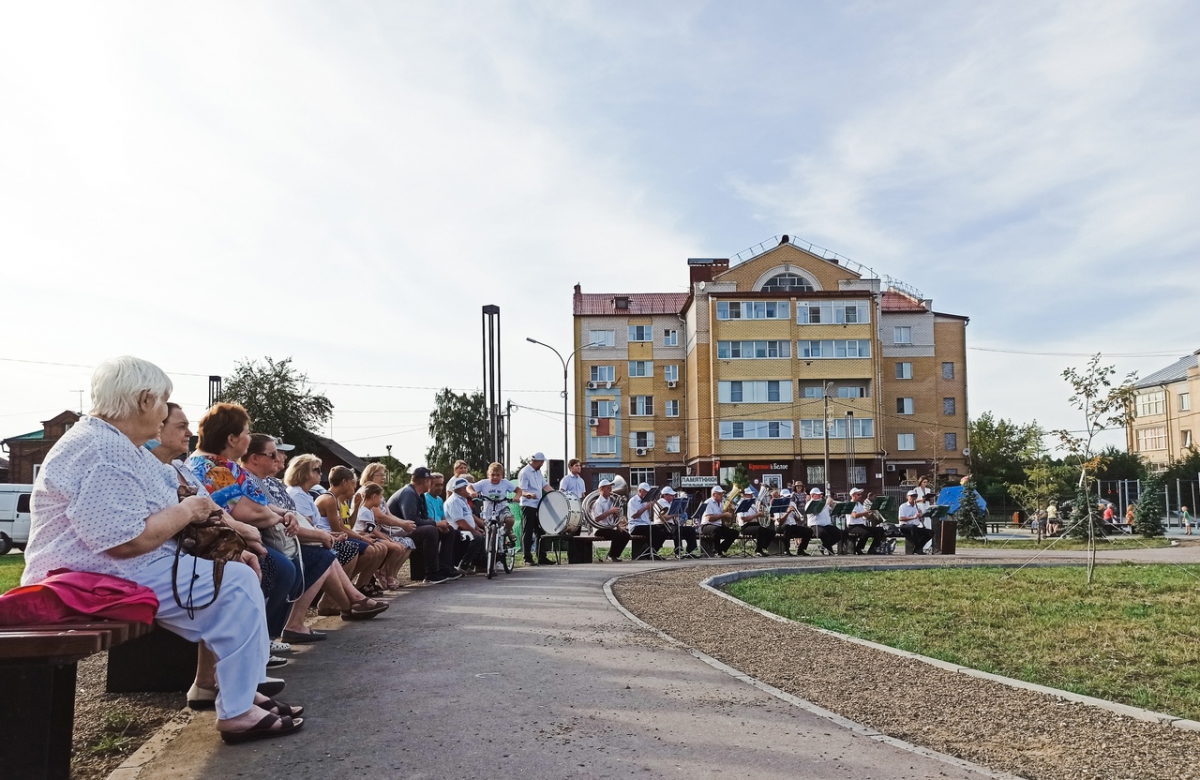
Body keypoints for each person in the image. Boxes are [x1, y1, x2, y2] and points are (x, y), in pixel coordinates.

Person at [21, 356, 303, 743]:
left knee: (238, 579)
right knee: (236, 586)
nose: (164, 412)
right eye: (162, 401)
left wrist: (224, 541)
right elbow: (126, 541)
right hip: (89, 577)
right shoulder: (101, 449)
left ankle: (242, 693)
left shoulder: (120, 445)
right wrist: (188, 510)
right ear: (142, 400)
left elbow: (171, 505)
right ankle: (237, 709)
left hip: (117, 568)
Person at [153, 404, 294, 669]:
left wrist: (280, 515)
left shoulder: (198, 466)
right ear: (231, 439)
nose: (189, 433)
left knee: (288, 564)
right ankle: (251, 653)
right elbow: (247, 512)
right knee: (273, 569)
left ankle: (252, 652)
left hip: (212, 543)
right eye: (247, 432)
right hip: (195, 550)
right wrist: (263, 523)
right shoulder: (211, 467)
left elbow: (226, 508)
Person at [244, 440, 386, 638]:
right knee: (325, 556)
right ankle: (341, 604)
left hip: (292, 538)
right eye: (316, 470)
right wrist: (323, 534)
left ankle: (351, 600)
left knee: (336, 552)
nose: (321, 474)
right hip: (283, 541)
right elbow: (283, 522)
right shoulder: (299, 493)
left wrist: (325, 533)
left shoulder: (277, 485)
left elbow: (299, 520)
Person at [317, 466, 390, 594]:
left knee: (375, 548)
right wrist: (361, 537)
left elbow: (346, 526)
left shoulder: (335, 499)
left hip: (336, 536)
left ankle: (357, 585)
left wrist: (355, 508)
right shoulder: (329, 499)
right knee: (369, 549)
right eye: (352, 484)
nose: (354, 488)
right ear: (344, 482)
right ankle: (344, 587)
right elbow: (338, 529)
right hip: (330, 538)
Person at [387, 467, 461, 584]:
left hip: (407, 529)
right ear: (425, 482)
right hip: (397, 531)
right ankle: (431, 573)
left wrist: (439, 525)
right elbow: (411, 520)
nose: (430, 483)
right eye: (429, 481)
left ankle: (445, 568)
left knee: (448, 530)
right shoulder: (409, 494)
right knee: (430, 530)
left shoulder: (419, 495)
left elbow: (424, 517)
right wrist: (436, 523)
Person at [352, 482, 410, 587]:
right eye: (380, 497)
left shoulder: (368, 511)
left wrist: (386, 538)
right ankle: (382, 576)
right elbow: (371, 531)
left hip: (369, 537)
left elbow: (373, 530)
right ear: (374, 497)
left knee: (399, 546)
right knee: (397, 548)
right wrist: (387, 540)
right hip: (364, 537)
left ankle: (368, 581)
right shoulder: (364, 511)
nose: (381, 499)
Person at [519, 453, 554, 565]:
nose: (543, 464)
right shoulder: (525, 472)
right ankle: (527, 558)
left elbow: (545, 485)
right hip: (528, 505)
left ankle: (541, 557)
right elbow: (521, 490)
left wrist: (556, 493)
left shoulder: (538, 472)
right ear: (537, 461)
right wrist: (528, 494)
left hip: (538, 504)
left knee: (540, 530)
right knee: (528, 531)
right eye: (542, 462)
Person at [471, 462, 518, 544]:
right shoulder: (484, 483)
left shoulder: (505, 483)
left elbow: (518, 490)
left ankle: (508, 531)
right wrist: (472, 492)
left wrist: (516, 497)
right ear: (488, 474)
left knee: (510, 519)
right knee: (488, 530)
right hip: (488, 510)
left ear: (502, 475)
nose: (495, 477)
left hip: (502, 508)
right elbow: (469, 487)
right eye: (492, 475)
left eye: (498, 475)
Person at [445, 476, 485, 570]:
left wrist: (476, 528)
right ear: (463, 489)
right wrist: (474, 531)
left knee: (481, 535)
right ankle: (462, 565)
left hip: (465, 529)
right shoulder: (454, 501)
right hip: (457, 530)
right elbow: (460, 522)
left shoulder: (463, 500)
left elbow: (469, 516)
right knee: (476, 537)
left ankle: (478, 565)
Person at [589, 479, 630, 561]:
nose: (611, 490)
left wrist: (616, 518)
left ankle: (614, 554)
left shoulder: (610, 501)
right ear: (601, 489)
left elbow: (613, 518)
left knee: (626, 535)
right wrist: (610, 511)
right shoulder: (598, 503)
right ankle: (611, 556)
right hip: (600, 529)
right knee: (617, 535)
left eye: (610, 488)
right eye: (608, 488)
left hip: (608, 527)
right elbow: (597, 518)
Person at [627, 482, 667, 558]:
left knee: (663, 531)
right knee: (655, 530)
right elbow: (634, 516)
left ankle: (652, 552)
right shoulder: (633, 501)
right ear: (640, 491)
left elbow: (650, 517)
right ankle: (646, 552)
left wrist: (651, 507)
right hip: (636, 525)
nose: (647, 494)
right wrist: (645, 507)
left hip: (646, 525)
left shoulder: (646, 501)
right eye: (645, 492)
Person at [657, 485, 697, 558]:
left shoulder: (671, 503)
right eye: (671, 495)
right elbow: (662, 518)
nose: (673, 497)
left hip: (673, 524)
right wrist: (674, 514)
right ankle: (678, 551)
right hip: (664, 525)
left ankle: (690, 551)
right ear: (665, 495)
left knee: (691, 530)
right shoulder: (660, 502)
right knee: (676, 530)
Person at [736, 486, 776, 557]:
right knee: (759, 529)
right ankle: (758, 550)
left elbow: (757, 515)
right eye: (749, 494)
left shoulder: (752, 505)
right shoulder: (740, 504)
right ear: (745, 495)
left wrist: (762, 513)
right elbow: (743, 519)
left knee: (772, 531)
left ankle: (763, 546)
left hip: (753, 524)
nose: (752, 496)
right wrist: (757, 515)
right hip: (745, 526)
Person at [699, 485, 738, 556]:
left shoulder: (721, 503)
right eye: (720, 494)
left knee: (734, 533)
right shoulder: (708, 502)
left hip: (718, 525)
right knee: (716, 530)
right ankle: (717, 551)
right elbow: (709, 518)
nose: (722, 496)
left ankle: (721, 548)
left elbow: (724, 516)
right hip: (706, 525)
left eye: (722, 494)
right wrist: (724, 515)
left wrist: (731, 511)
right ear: (714, 494)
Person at [845, 487, 884, 554]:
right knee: (866, 532)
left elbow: (866, 516)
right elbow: (855, 515)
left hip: (861, 525)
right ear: (853, 495)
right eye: (858, 495)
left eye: (860, 495)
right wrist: (865, 512)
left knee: (880, 530)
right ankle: (858, 548)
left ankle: (873, 549)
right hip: (853, 526)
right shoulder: (850, 505)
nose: (860, 496)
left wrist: (871, 512)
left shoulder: (859, 505)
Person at [776, 488, 814, 556]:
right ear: (780, 496)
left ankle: (801, 549)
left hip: (792, 525)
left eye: (788, 497)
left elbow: (797, 519)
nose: (787, 498)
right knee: (787, 528)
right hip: (781, 526)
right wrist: (788, 512)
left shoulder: (792, 503)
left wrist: (797, 515)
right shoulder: (777, 505)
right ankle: (786, 550)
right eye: (785, 497)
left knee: (809, 531)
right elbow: (780, 522)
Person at [806, 487, 840, 554]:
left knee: (839, 533)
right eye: (818, 494)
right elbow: (816, 512)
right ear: (812, 495)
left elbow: (832, 511)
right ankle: (830, 551)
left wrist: (833, 505)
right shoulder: (810, 504)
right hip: (815, 525)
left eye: (820, 494)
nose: (820, 496)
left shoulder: (823, 503)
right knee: (823, 533)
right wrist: (826, 503)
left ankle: (823, 546)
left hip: (826, 525)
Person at [898, 490, 933, 554]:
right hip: (904, 526)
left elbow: (921, 520)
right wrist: (913, 517)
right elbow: (901, 518)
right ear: (907, 497)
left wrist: (921, 516)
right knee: (913, 527)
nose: (913, 498)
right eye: (911, 496)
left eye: (915, 496)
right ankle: (918, 547)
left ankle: (918, 548)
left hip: (914, 527)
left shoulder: (918, 507)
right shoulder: (903, 506)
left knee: (930, 532)